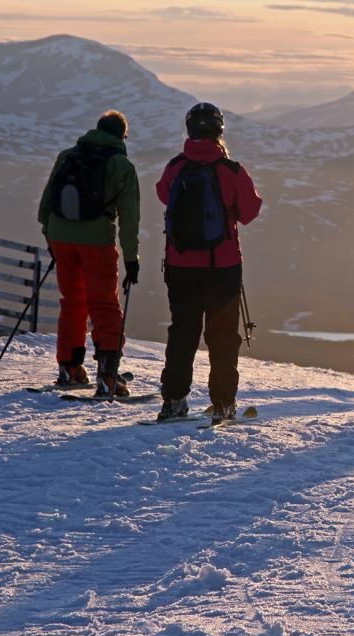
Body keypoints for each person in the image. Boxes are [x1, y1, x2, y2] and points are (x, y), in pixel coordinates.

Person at [155, 102, 263, 423]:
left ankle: (174, 401)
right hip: (223, 266)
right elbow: (250, 211)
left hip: (180, 265)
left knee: (183, 331)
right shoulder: (231, 170)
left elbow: (163, 195)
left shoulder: (175, 167)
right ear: (218, 130)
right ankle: (223, 404)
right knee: (222, 335)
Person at [37, 109, 140, 396]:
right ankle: (108, 376)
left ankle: (69, 369)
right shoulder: (122, 166)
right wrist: (132, 259)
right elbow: (130, 219)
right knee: (105, 305)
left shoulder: (68, 156)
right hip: (97, 242)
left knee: (72, 302)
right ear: (122, 136)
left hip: (60, 237)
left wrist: (51, 238)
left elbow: (45, 205)